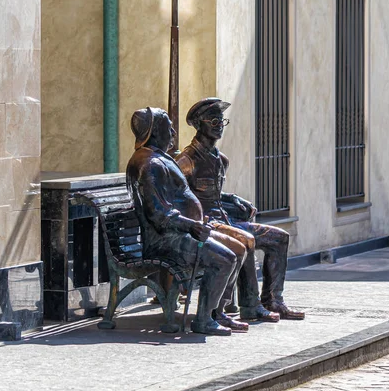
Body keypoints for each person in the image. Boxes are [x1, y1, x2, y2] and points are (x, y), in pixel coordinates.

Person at [176, 98, 305, 320]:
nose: (218, 125)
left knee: (279, 238)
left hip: (226, 220)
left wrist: (233, 199)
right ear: (199, 124)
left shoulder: (220, 160)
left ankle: (274, 300)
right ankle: (250, 305)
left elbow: (212, 195)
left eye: (221, 121)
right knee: (245, 239)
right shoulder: (186, 161)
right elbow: (181, 199)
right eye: (213, 120)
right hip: (207, 226)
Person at [126, 107, 249, 335]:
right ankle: (203, 320)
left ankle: (216, 312)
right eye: (167, 127)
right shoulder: (150, 164)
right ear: (155, 131)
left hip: (182, 232)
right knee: (224, 259)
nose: (173, 131)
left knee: (238, 248)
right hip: (166, 240)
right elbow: (159, 215)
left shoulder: (158, 157)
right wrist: (190, 224)